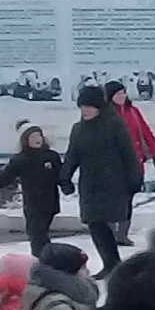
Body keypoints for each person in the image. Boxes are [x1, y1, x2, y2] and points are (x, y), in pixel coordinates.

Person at [61, 84, 142, 261]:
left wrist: (135, 178)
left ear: (99, 106)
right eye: (82, 107)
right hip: (90, 184)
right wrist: (64, 178)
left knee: (105, 222)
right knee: (94, 223)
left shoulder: (114, 124)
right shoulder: (78, 129)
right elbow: (72, 155)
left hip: (114, 182)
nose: (85, 111)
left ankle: (113, 262)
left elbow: (128, 153)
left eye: (89, 107)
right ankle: (110, 262)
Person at [0, 120, 67, 263]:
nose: (36, 139)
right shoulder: (20, 159)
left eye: (38, 135)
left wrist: (66, 185)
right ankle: (44, 261)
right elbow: (6, 177)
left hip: (50, 202)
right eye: (32, 137)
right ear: (25, 140)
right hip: (33, 203)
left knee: (41, 233)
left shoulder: (51, 156)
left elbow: (61, 174)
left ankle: (46, 260)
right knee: (36, 235)